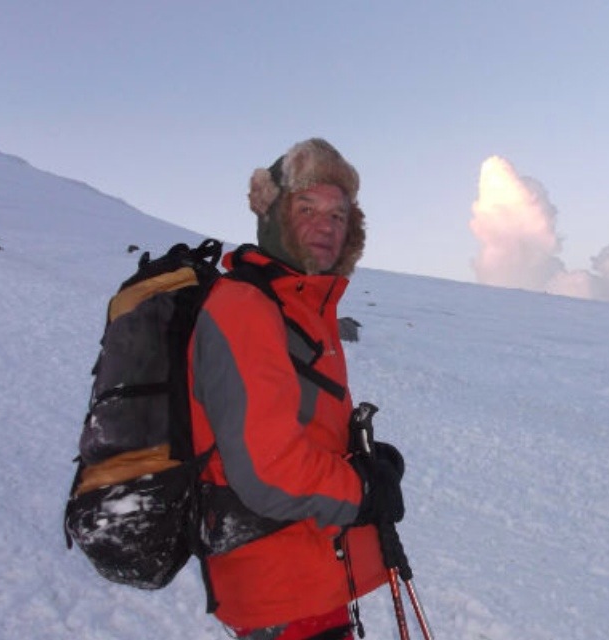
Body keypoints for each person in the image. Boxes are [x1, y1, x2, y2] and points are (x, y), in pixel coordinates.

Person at [188, 138, 406, 639]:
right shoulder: (246, 309)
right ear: (274, 216)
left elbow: (301, 430)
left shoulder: (302, 306)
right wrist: (361, 490)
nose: (326, 226)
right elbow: (268, 469)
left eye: (338, 214)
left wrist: (364, 462)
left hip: (308, 575)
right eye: (307, 208)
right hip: (281, 588)